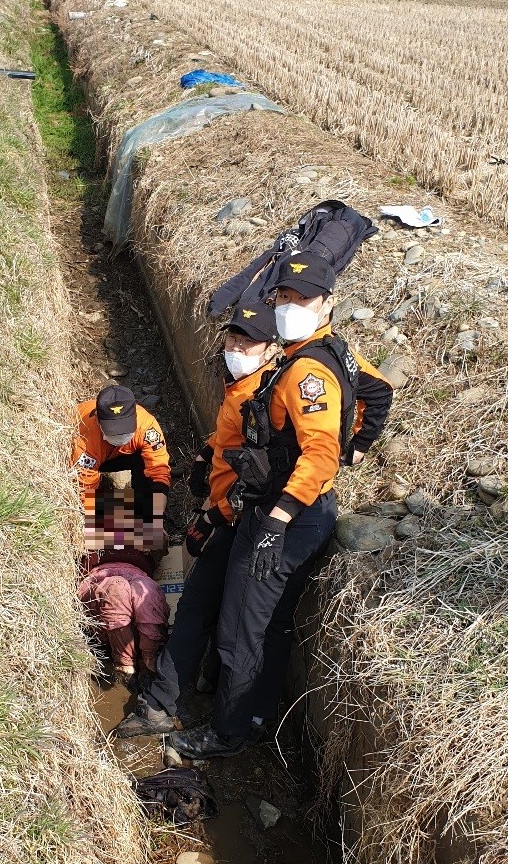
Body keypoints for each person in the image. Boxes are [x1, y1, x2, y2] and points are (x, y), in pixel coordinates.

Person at [126, 252, 394, 756]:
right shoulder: (301, 359)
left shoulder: (306, 371)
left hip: (285, 516)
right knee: (238, 616)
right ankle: (210, 707)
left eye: (303, 298)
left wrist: (279, 517)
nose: (291, 306)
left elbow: (318, 452)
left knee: (244, 627)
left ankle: (232, 731)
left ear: (327, 303)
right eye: (285, 297)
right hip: (263, 509)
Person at [116, 303, 281, 738]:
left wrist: (213, 516)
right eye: (232, 338)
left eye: (248, 342)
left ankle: (221, 718)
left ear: (271, 349)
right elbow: (230, 438)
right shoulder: (239, 388)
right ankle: (168, 700)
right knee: (200, 607)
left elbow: (260, 474)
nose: (236, 347)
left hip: (251, 522)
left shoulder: (268, 397)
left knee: (227, 618)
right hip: (228, 516)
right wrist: (208, 451)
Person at [78, 488, 170, 688]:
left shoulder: (146, 538)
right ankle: (124, 665)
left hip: (137, 575)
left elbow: (162, 542)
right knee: (117, 589)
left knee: (147, 592)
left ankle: (149, 661)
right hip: (101, 578)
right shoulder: (90, 536)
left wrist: (144, 535)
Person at [72, 385, 171, 542]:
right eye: (113, 431)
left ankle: (145, 515)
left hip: (124, 454)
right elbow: (84, 495)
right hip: (97, 455)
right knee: (91, 517)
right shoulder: (83, 441)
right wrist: (123, 533)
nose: (120, 436)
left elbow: (159, 473)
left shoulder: (147, 427)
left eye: (125, 430)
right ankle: (125, 513)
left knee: (148, 476)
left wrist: (156, 518)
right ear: (98, 419)